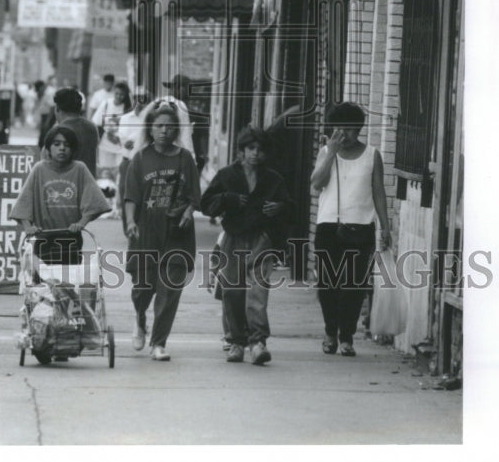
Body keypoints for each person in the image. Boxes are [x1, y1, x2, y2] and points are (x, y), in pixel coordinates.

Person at [200, 125, 294, 365]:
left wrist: (280, 208)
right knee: (232, 290)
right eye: (251, 148)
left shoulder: (273, 178)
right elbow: (206, 203)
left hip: (261, 238)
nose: (256, 154)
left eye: (261, 150)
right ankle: (235, 342)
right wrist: (227, 198)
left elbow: (289, 205)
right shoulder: (227, 176)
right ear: (241, 150)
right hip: (233, 237)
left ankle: (258, 342)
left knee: (258, 292)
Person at [310, 101, 391, 357]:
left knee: (354, 287)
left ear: (359, 129)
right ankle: (330, 332)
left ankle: (347, 337)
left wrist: (385, 227)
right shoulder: (326, 152)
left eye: (350, 129)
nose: (344, 134)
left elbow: (378, 193)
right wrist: (331, 152)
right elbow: (316, 183)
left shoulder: (371, 155)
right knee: (327, 284)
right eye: (339, 129)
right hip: (328, 226)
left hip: (360, 228)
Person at [124, 102, 201, 361]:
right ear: (150, 129)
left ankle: (158, 342)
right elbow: (131, 197)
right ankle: (139, 318)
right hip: (146, 231)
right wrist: (131, 222)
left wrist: (189, 212)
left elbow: (194, 195)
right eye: (159, 126)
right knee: (142, 289)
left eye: (170, 126)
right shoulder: (141, 158)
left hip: (176, 233)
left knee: (169, 291)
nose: (165, 131)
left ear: (176, 129)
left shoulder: (184, 158)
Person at [11, 125, 111, 262]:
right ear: (48, 148)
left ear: (73, 149)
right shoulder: (39, 169)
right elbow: (24, 202)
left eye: (67, 145)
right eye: (56, 144)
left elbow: (96, 202)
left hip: (71, 237)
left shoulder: (80, 169)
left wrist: (81, 223)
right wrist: (28, 227)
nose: (62, 148)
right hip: (43, 237)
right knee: (42, 279)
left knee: (70, 279)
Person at [92, 80, 132, 215]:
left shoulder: (127, 108)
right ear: (114, 92)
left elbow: (130, 128)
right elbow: (96, 122)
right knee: (105, 174)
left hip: (120, 148)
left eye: (122, 95)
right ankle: (105, 205)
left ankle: (117, 206)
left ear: (126, 95)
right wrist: (107, 133)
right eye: (117, 93)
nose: (119, 97)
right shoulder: (106, 104)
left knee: (119, 176)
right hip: (105, 145)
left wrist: (119, 136)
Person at [40, 87, 100, 176]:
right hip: (89, 183)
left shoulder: (57, 132)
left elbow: (46, 165)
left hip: (65, 185)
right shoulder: (92, 128)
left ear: (57, 109)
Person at [116, 86, 151, 235]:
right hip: (128, 162)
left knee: (144, 196)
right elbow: (125, 141)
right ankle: (129, 229)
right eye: (136, 97)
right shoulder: (125, 118)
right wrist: (140, 137)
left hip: (145, 162)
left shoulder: (151, 119)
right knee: (126, 195)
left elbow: (141, 140)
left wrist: (136, 139)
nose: (138, 101)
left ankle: (142, 227)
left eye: (142, 98)